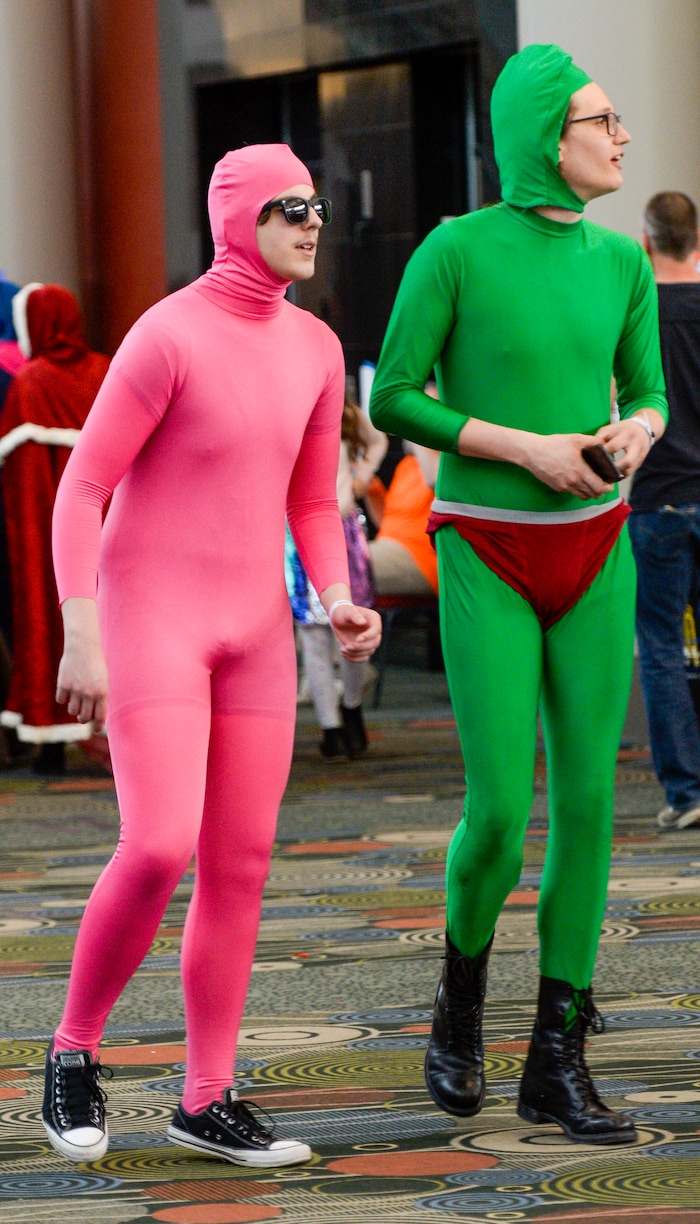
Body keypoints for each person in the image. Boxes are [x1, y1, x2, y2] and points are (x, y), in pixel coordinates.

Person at [43, 144, 381, 1167]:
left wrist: (335, 598)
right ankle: (71, 1051)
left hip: (255, 636)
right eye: (288, 206)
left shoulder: (317, 347)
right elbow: (80, 491)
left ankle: (207, 1094)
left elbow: (310, 500)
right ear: (235, 217)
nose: (311, 220)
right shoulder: (168, 334)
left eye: (318, 205)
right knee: (157, 846)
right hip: (154, 621)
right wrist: (83, 627)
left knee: (239, 862)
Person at [370, 43, 667, 1145]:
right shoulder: (454, 252)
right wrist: (520, 449)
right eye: (602, 118)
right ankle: (457, 1003)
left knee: (590, 805)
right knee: (499, 810)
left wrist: (631, 432)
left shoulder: (622, 261)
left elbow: (644, 389)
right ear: (548, 133)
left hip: (597, 545)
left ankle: (556, 1058)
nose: (621, 135)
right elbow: (396, 395)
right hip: (486, 545)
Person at [0, 284, 109, 774]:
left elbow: (18, 482)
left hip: (48, 534)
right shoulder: (104, 372)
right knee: (115, 621)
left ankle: (50, 744)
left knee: (47, 619)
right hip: (109, 528)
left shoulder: (32, 382)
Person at [629, 191, 700, 830]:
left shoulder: (638, 313)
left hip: (658, 500)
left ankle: (686, 792)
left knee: (659, 649)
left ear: (646, 245)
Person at [287, 392, 386, 759]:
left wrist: (361, 475)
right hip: (295, 538)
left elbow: (378, 440)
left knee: (353, 627)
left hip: (342, 531)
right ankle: (330, 727)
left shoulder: (341, 411)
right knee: (312, 635)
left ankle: (352, 705)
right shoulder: (275, 405)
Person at [366, 437, 440, 597]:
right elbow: (386, 525)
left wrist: (416, 430)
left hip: (421, 557)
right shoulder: (406, 465)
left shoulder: (440, 463)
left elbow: (433, 478)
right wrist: (373, 493)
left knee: (345, 565)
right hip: (390, 547)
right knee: (335, 561)